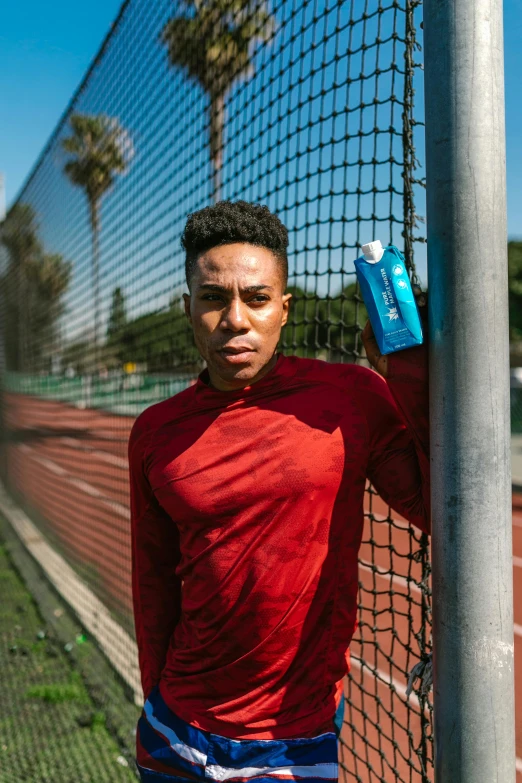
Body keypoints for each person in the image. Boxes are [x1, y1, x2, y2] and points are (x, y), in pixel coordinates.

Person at [128, 200, 430, 782]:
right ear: (188, 307)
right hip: (175, 731)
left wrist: (406, 368)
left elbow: (430, 506)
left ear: (284, 309)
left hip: (293, 738)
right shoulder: (154, 431)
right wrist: (154, 697)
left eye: (257, 299)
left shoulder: (350, 398)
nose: (235, 319)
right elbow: (153, 579)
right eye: (214, 298)